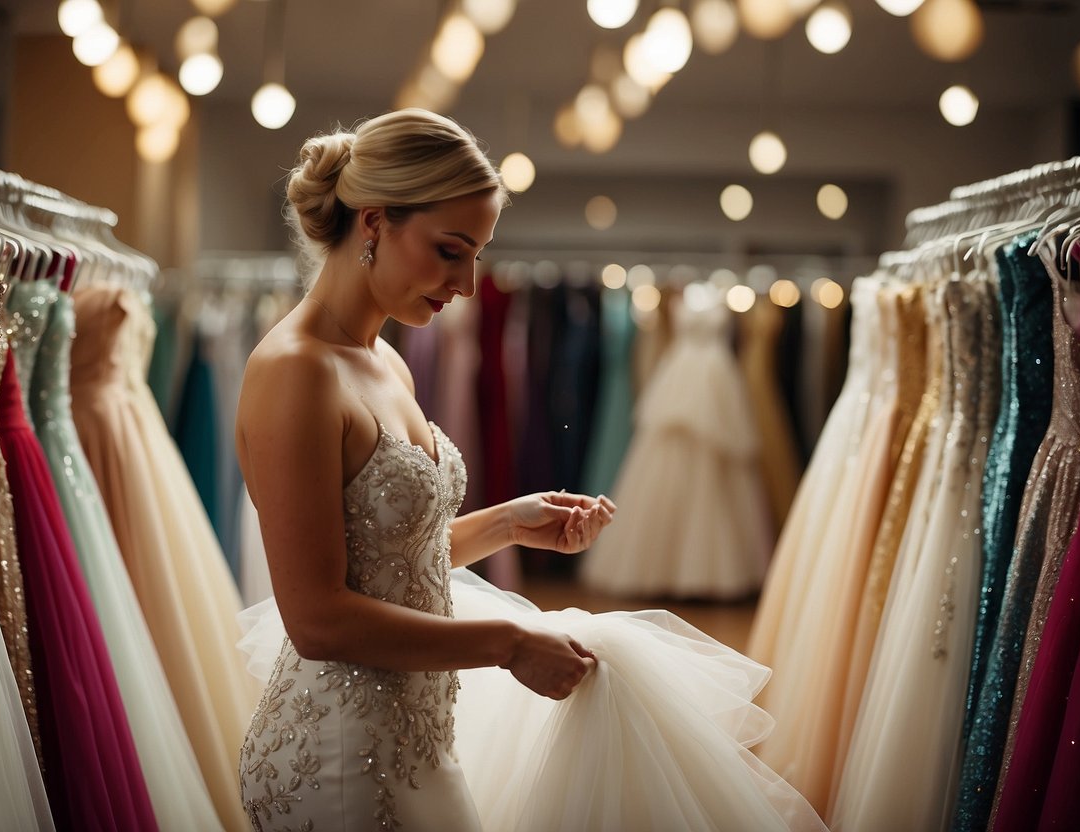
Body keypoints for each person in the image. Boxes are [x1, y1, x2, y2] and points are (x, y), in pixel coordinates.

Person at [236, 108, 828, 832]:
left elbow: (390, 569)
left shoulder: (384, 360)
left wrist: (508, 523)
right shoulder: (294, 372)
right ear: (373, 222)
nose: (468, 281)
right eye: (450, 250)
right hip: (336, 755)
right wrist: (509, 644)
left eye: (477, 254)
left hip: (410, 734)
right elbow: (319, 619)